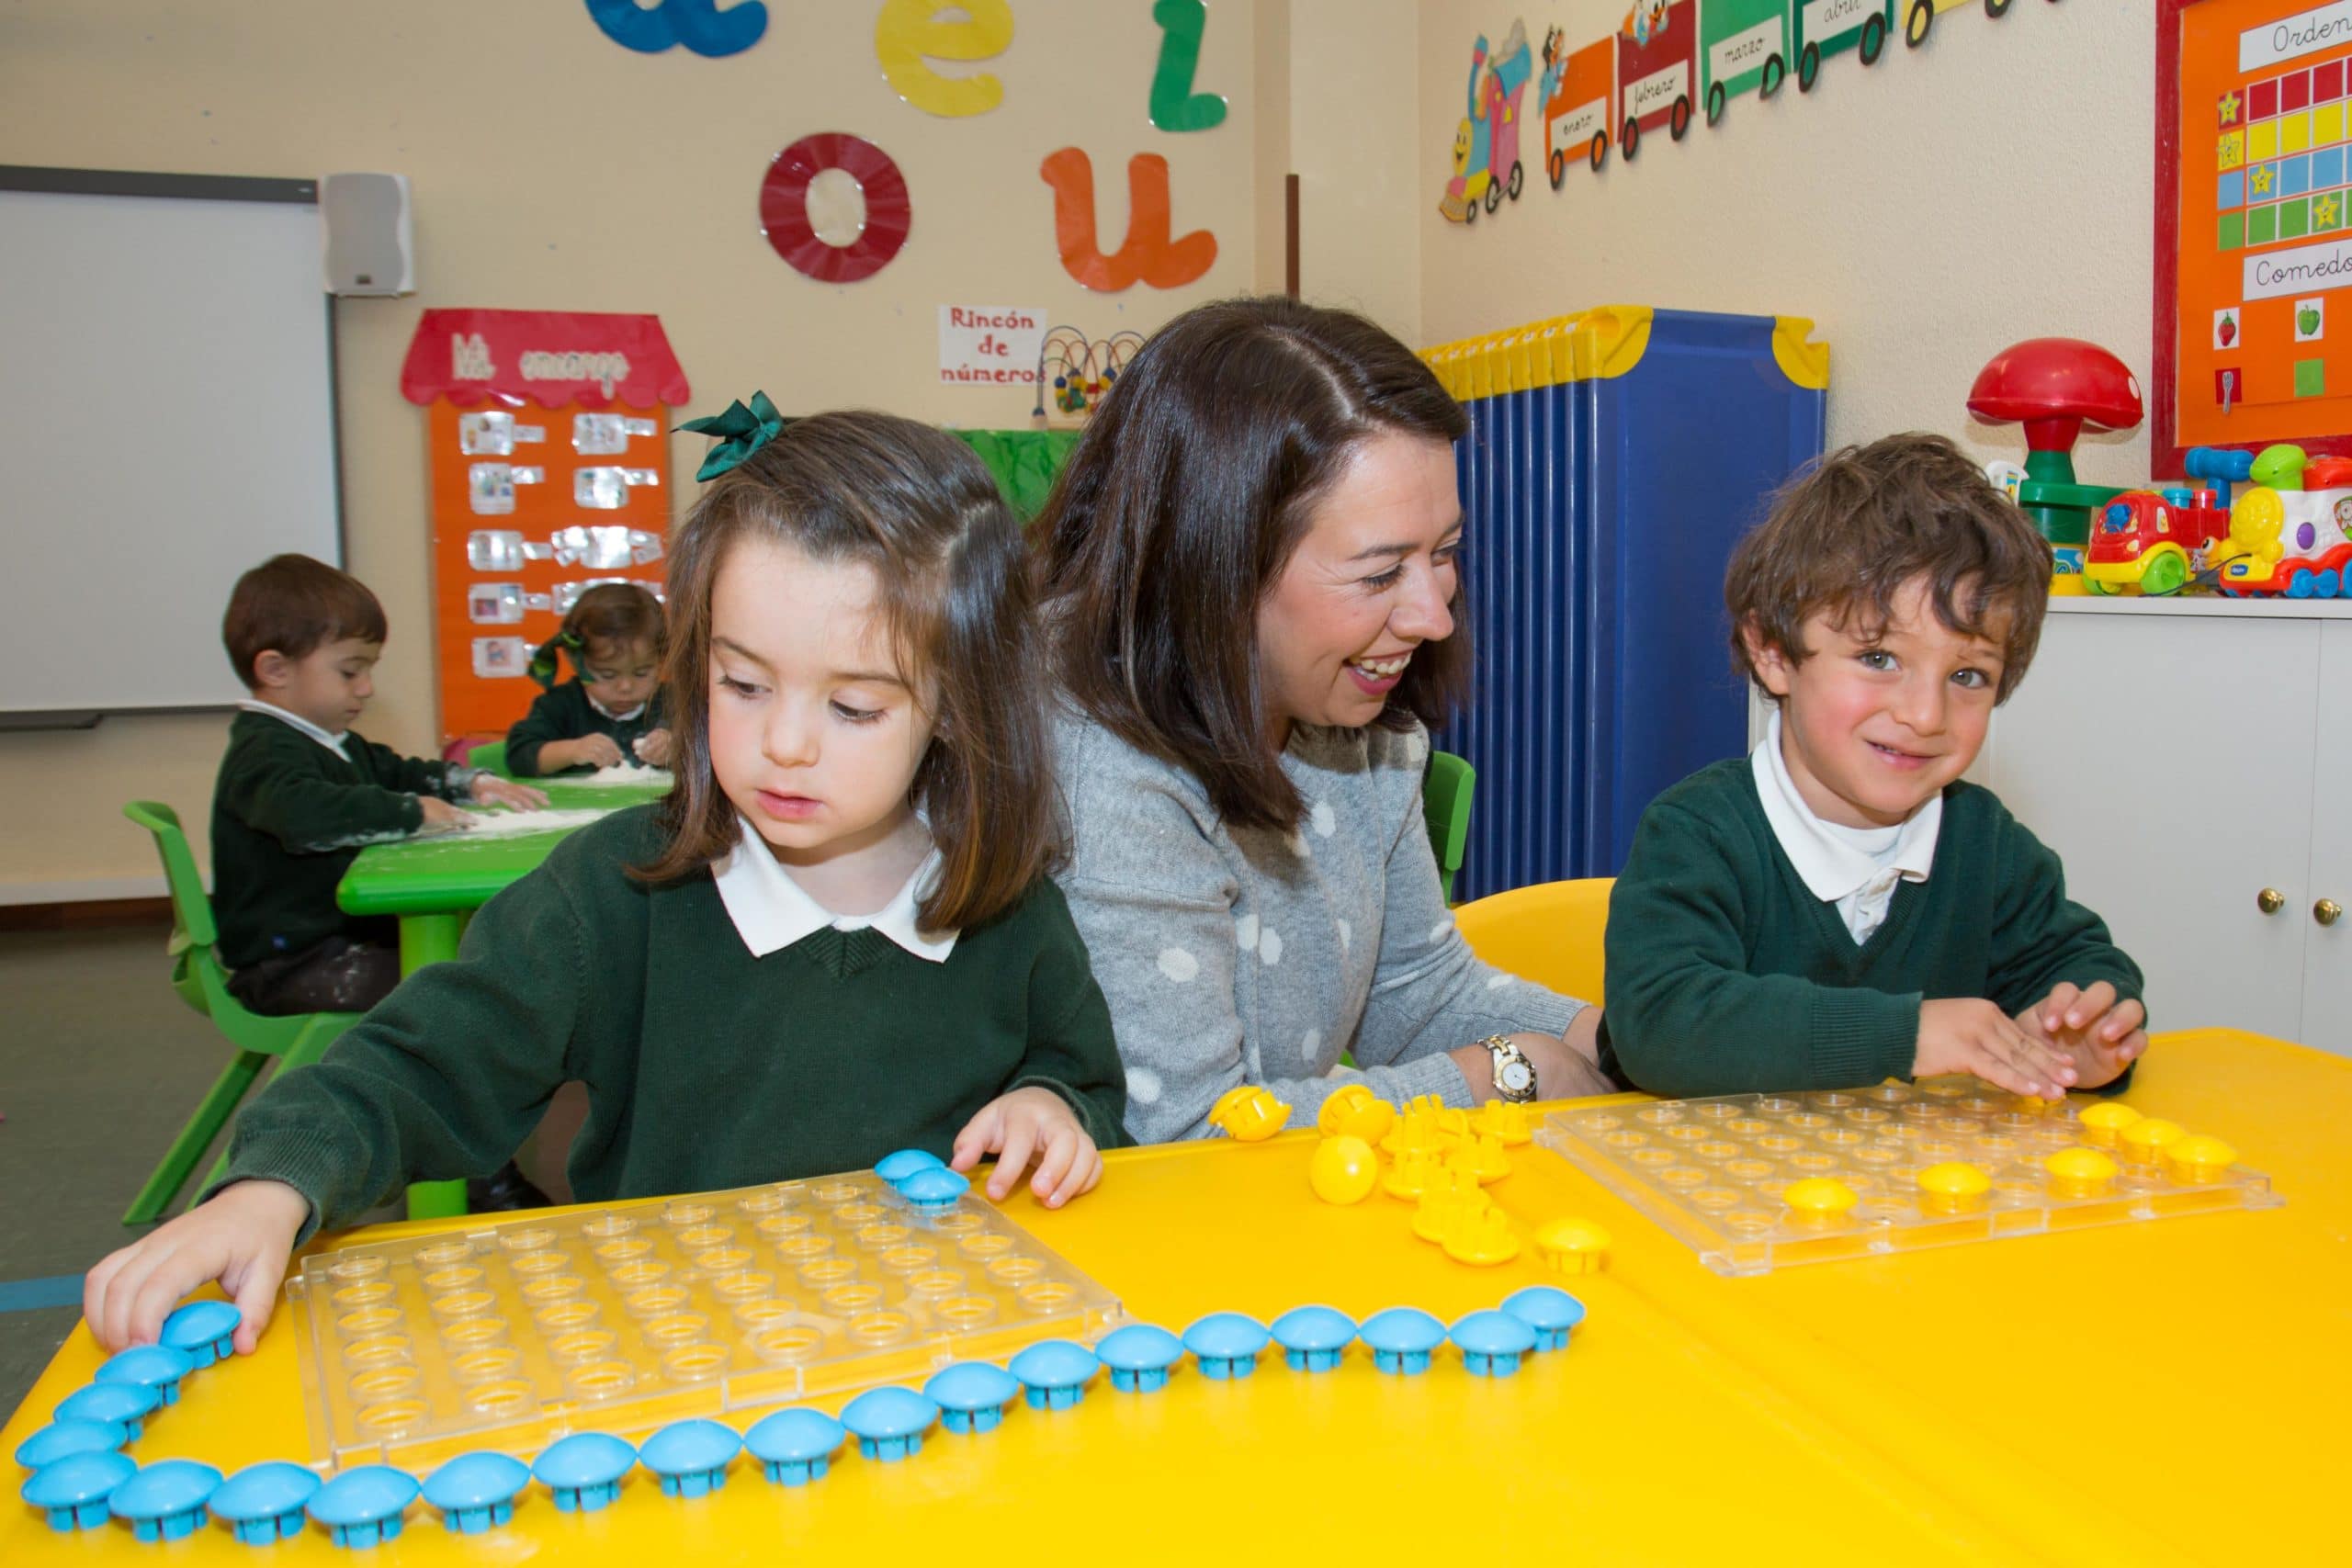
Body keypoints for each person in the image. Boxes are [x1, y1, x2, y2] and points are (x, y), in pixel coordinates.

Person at [87, 408, 1126, 1354]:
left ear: (955, 706)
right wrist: (272, 1185)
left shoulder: (1006, 900)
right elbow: (416, 1064)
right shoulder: (616, 895)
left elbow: (1084, 1082)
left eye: (854, 707)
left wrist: (1051, 1104)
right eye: (741, 683)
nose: (784, 746)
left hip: (937, 1357)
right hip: (676, 1367)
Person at [1035, 296, 1609, 1146]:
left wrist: (1637, 1038)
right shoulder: (1100, 762)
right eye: (1380, 574)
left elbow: (1413, 990)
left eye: (1443, 554)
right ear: (1214, 567)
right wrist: (1507, 1073)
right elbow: (1186, 1136)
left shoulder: (1348, 717)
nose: (1434, 616)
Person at [1600, 433, 2148, 1099]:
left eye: (1969, 674)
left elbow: (2079, 961)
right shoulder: (1698, 835)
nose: (1925, 714)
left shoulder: (1986, 843)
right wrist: (1906, 1033)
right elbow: (1663, 1026)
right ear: (1773, 651)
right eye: (1880, 658)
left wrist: (2083, 1028)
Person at [211, 553, 546, 1017]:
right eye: (350, 672)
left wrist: (470, 783)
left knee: (479, 965)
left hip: (331, 946)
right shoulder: (264, 750)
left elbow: (397, 771)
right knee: (468, 989)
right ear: (275, 670)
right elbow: (303, 812)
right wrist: (411, 813)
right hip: (290, 965)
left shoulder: (331, 742)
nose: (366, 688)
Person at [506, 581, 673, 775]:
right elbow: (520, 757)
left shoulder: (675, 704)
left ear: (661, 660)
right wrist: (572, 751)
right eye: (608, 675)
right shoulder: (560, 705)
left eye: (641, 673)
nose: (626, 687)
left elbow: (710, 750)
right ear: (578, 663)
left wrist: (676, 748)